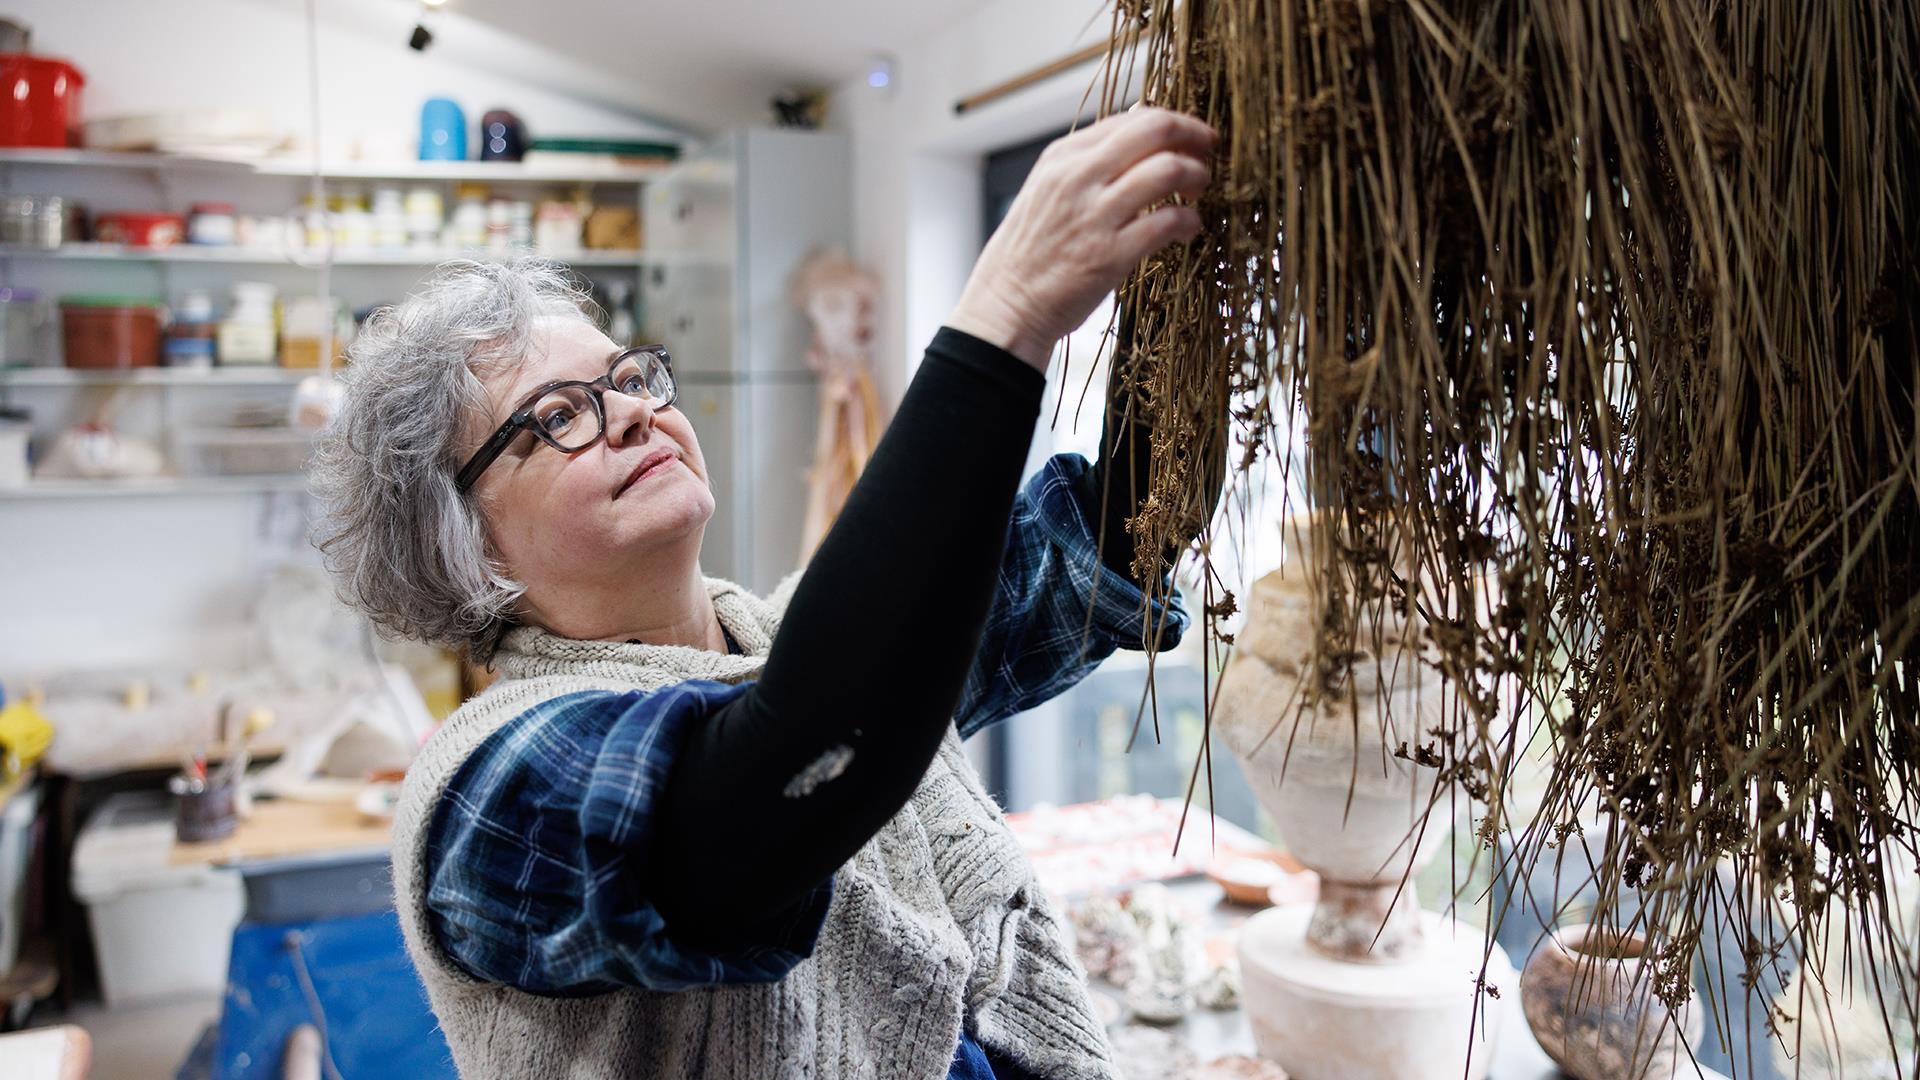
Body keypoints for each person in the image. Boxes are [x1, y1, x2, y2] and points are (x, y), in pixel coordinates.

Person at [313, 106, 1218, 1080]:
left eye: (629, 376)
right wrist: (1007, 312)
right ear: (464, 543)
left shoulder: (783, 640)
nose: (632, 413)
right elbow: (804, 756)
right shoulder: (483, 796)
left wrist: (1210, 292)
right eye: (560, 415)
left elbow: (1119, 531)